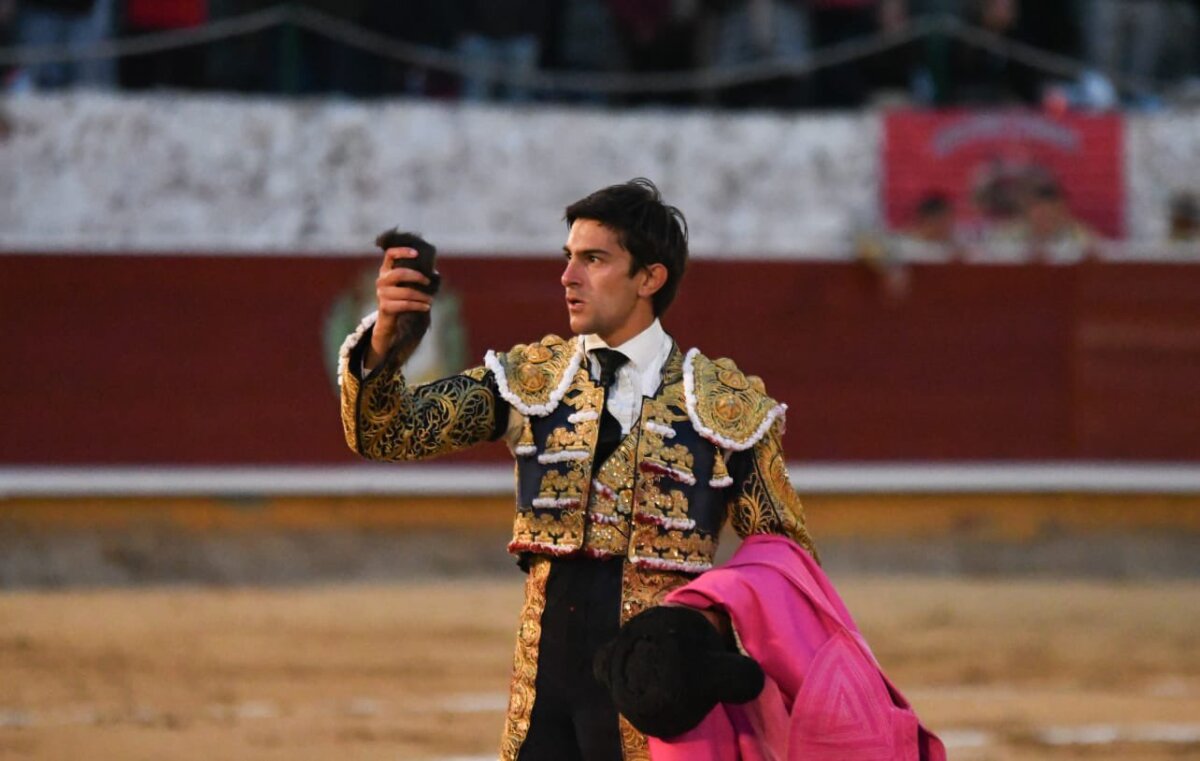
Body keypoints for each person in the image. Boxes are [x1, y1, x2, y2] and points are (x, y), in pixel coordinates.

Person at [337, 179, 932, 759]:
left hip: (659, 698)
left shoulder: (724, 406)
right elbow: (388, 434)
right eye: (568, 257)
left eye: (593, 259)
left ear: (650, 278)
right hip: (541, 693)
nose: (568, 277)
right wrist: (387, 346)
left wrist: (708, 633)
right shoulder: (529, 381)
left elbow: (784, 561)